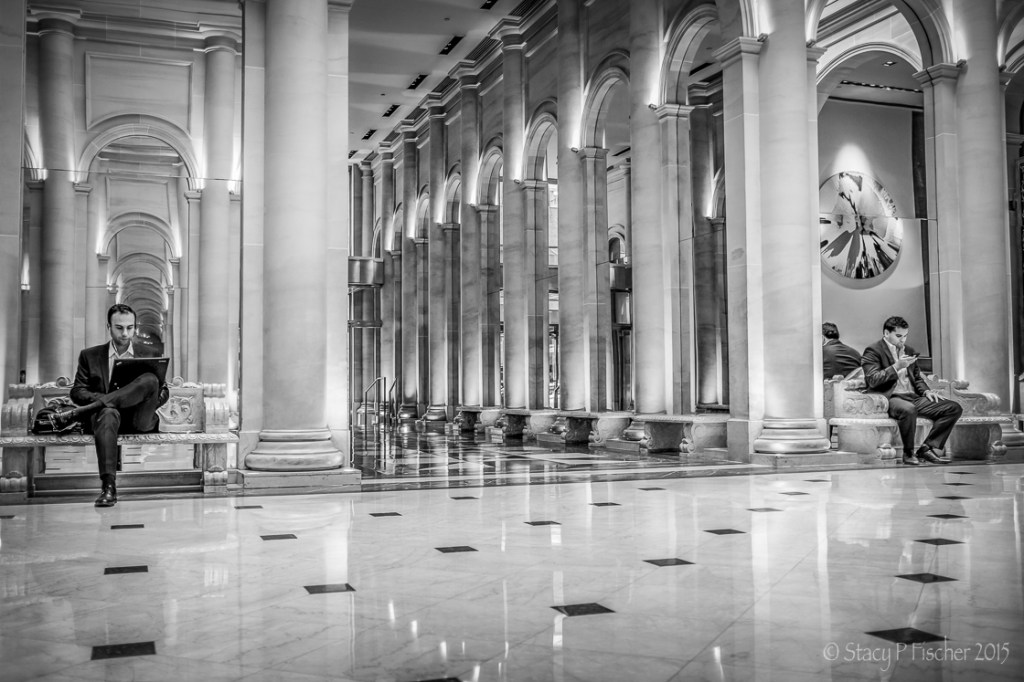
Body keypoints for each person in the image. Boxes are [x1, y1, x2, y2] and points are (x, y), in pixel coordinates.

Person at [54, 304, 169, 507]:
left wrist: (144, 399)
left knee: (151, 380)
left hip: (139, 418)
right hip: (106, 419)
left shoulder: (148, 353)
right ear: (109, 326)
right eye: (119, 328)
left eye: (130, 328)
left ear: (135, 327)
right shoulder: (90, 356)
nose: (125, 333)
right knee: (108, 412)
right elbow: (77, 391)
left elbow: (163, 391)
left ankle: (87, 410)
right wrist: (114, 400)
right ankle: (108, 487)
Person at [861, 315, 961, 466]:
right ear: (886, 333)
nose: (903, 340)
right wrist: (896, 367)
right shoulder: (873, 351)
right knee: (908, 409)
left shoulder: (909, 350)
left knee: (953, 408)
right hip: (890, 397)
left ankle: (927, 448)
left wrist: (927, 392)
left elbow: (917, 378)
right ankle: (908, 453)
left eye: (905, 336)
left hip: (913, 396)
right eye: (899, 336)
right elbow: (873, 380)